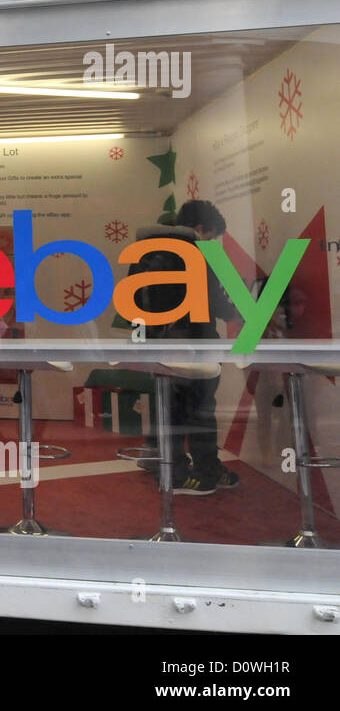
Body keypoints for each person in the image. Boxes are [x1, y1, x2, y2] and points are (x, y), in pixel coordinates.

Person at [129, 199, 238, 495]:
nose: (213, 242)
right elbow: (217, 300)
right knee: (201, 409)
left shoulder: (145, 248)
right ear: (201, 229)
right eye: (213, 236)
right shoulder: (198, 253)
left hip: (158, 342)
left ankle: (166, 464)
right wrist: (246, 314)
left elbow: (134, 299)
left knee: (170, 407)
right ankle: (198, 472)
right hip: (194, 340)